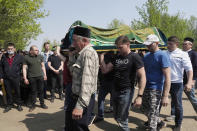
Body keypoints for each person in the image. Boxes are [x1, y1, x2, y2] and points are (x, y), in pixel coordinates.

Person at [100, 35, 146, 131]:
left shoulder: (134, 56)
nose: (118, 49)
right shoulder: (117, 56)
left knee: (123, 117)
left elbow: (142, 76)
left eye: (120, 47)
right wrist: (101, 58)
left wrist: (140, 96)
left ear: (128, 45)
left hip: (126, 91)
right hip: (115, 90)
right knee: (116, 116)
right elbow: (105, 70)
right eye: (117, 47)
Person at [65, 26, 99, 131]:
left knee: (79, 128)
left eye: (75, 41)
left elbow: (87, 83)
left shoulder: (88, 54)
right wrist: (71, 56)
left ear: (84, 40)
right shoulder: (81, 53)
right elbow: (73, 72)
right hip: (75, 97)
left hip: (82, 99)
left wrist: (80, 106)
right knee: (71, 126)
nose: (73, 44)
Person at [141, 34, 171, 131]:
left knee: (153, 113)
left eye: (150, 44)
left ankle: (153, 127)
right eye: (147, 44)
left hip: (156, 88)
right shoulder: (146, 56)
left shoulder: (163, 55)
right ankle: (160, 122)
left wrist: (165, 96)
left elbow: (167, 77)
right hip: (146, 87)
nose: (148, 46)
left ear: (157, 43)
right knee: (144, 109)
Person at [165, 37, 197, 122]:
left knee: (192, 98)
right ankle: (173, 114)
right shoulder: (176, 53)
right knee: (174, 98)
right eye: (183, 44)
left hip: (187, 80)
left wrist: (193, 80)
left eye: (186, 44)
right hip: (178, 80)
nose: (184, 45)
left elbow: (194, 68)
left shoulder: (193, 54)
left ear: (191, 45)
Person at [23, 45, 48, 112]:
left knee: (41, 91)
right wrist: (25, 78)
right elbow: (24, 68)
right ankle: (33, 105)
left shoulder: (40, 56)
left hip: (40, 76)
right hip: (31, 77)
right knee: (33, 91)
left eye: (38, 50)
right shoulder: (26, 57)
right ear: (31, 51)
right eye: (36, 50)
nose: (38, 51)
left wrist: (45, 75)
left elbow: (43, 66)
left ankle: (42, 104)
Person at [0, 43, 24, 113]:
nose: (10, 50)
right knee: (8, 92)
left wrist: (21, 75)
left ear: (14, 49)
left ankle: (19, 104)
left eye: (11, 49)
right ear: (7, 49)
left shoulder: (19, 57)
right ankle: (9, 105)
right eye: (8, 49)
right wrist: (1, 77)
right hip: (6, 78)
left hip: (16, 77)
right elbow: (1, 67)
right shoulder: (4, 56)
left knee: (17, 91)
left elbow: (23, 66)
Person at [93, 51, 114, 123]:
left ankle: (116, 113)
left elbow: (104, 70)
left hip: (112, 82)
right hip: (104, 82)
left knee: (115, 99)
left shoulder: (113, 57)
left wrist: (101, 57)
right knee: (100, 99)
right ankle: (100, 116)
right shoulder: (102, 55)